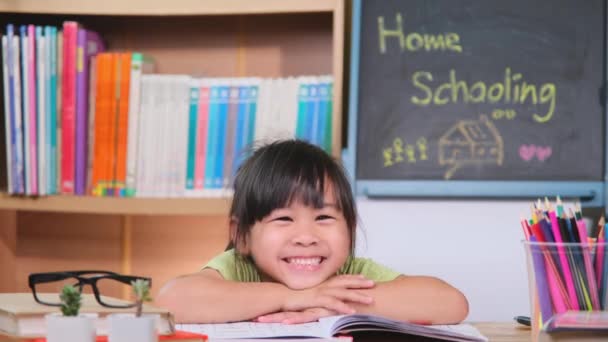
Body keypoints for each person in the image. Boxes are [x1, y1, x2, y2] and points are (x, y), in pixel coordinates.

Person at [156, 139, 468, 324]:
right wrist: (295, 297)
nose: (306, 237)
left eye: (323, 217)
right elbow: (173, 300)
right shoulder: (237, 266)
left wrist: (330, 302)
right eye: (283, 219)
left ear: (350, 228)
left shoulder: (349, 272)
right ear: (241, 236)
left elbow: (451, 304)